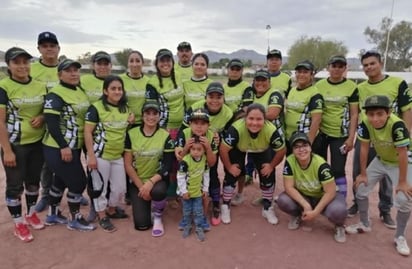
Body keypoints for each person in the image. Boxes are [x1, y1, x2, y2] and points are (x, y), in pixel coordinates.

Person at [348, 51, 412, 229]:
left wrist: (405, 135)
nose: (369, 67)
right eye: (366, 65)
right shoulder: (360, 88)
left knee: (388, 176)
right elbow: (355, 113)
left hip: (391, 136)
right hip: (368, 134)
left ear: (380, 63)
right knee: (360, 173)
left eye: (372, 63)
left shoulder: (397, 83)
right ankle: (357, 203)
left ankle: (385, 210)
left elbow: (407, 109)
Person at [345, 95, 412, 256]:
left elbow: (403, 154)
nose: (375, 118)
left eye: (379, 114)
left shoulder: (397, 125)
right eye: (371, 114)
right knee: (360, 188)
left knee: (404, 198)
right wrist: (362, 174)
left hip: (400, 163)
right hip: (381, 160)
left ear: (388, 112)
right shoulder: (366, 124)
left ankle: (400, 236)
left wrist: (402, 182)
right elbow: (364, 148)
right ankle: (364, 223)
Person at [42, 59, 95, 231]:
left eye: (76, 70)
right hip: (58, 147)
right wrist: (63, 145)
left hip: (74, 145)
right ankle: (75, 219)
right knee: (78, 182)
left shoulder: (78, 89)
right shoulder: (56, 93)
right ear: (59, 75)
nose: (73, 73)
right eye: (68, 71)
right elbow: (51, 122)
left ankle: (52, 214)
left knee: (60, 180)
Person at [0, 47, 46, 242]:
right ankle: (18, 223)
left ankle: (31, 213)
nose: (22, 66)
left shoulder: (39, 85)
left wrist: (42, 117)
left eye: (25, 62)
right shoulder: (4, 87)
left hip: (37, 142)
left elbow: (46, 109)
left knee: (33, 182)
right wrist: (7, 150)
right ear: (8, 65)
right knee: (14, 186)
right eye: (16, 62)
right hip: (15, 144)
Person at [219, 103, 286, 225]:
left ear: (265, 119)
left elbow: (281, 151)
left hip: (262, 149)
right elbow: (223, 149)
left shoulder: (270, 129)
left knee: (267, 174)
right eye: (251, 118)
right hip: (239, 147)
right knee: (233, 172)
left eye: (259, 119)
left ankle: (267, 207)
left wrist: (271, 166)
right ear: (245, 118)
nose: (254, 123)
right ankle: (225, 205)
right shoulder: (236, 128)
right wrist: (229, 167)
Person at [277, 132, 347, 243]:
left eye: (304, 145)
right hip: (305, 196)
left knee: (338, 210)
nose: (301, 150)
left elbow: (330, 192)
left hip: (323, 196)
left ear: (310, 148)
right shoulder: (290, 161)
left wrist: (315, 212)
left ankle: (339, 226)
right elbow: (288, 187)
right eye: (296, 147)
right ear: (293, 150)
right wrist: (305, 205)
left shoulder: (321, 165)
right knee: (283, 200)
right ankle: (298, 214)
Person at [84, 75, 130, 232]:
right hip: (100, 155)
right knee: (99, 188)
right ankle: (102, 215)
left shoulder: (126, 108)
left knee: (120, 188)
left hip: (118, 156)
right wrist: (91, 156)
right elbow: (87, 132)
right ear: (105, 91)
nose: (117, 91)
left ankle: (111, 209)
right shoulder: (96, 108)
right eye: (113, 89)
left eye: (119, 89)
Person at [183, 82, 234, 225]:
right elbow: (184, 128)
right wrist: (186, 147)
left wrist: (218, 138)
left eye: (219, 97)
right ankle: (189, 203)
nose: (215, 100)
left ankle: (216, 203)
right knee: (190, 173)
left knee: (211, 173)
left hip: (212, 143)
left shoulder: (228, 113)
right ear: (205, 97)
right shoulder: (194, 108)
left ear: (224, 98)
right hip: (193, 145)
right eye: (211, 96)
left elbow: (229, 134)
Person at [124, 100, 175, 236]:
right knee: (142, 225)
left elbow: (167, 165)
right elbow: (128, 165)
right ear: (142, 115)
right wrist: (142, 186)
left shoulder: (165, 135)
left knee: (158, 192)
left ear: (159, 116)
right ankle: (147, 208)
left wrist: (151, 183)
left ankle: (158, 216)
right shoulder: (132, 134)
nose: (151, 117)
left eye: (155, 113)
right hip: (138, 181)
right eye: (148, 113)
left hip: (157, 180)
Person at [313, 55, 359, 199]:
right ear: (328, 68)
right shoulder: (319, 86)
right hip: (321, 134)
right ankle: (320, 196)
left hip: (340, 135)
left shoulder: (351, 87)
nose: (337, 69)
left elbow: (354, 114)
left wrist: (351, 138)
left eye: (340, 66)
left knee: (338, 169)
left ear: (345, 69)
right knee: (320, 167)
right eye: (334, 66)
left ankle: (340, 200)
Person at [239, 69, 285, 207]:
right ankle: (265, 195)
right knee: (258, 167)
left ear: (269, 82)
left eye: (263, 80)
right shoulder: (251, 93)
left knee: (267, 169)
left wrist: (252, 116)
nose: (260, 83)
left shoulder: (275, 94)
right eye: (257, 80)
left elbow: (272, 114)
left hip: (271, 136)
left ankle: (267, 200)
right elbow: (245, 110)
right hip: (253, 136)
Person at [146, 48, 184, 201]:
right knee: (166, 162)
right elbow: (152, 110)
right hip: (164, 128)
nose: (165, 63)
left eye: (168, 60)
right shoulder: (152, 83)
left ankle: (177, 192)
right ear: (157, 63)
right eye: (162, 60)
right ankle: (166, 194)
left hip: (182, 127)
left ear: (172, 62)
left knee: (179, 162)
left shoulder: (180, 76)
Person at [176, 108, 218, 230]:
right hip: (187, 171)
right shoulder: (184, 133)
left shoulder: (211, 136)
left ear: (208, 125)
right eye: (195, 123)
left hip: (202, 170)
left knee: (204, 195)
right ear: (190, 124)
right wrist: (185, 148)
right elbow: (179, 159)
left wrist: (208, 148)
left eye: (203, 123)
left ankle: (202, 218)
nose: (199, 127)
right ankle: (186, 218)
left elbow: (212, 163)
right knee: (185, 196)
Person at [223, 58, 253, 205]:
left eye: (237, 69)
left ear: (241, 71)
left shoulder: (246, 87)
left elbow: (246, 110)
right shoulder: (223, 87)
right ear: (227, 70)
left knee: (239, 163)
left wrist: (229, 121)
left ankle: (240, 193)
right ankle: (226, 189)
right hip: (224, 130)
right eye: (232, 69)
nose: (234, 72)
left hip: (239, 131)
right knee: (226, 162)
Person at [284, 60, 323, 154]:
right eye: (299, 72)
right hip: (290, 138)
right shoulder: (292, 90)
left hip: (304, 140)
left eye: (305, 72)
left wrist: (308, 143)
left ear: (312, 75)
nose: (301, 75)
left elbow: (316, 121)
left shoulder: (315, 94)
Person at [177, 138, 210, 241]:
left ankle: (199, 227)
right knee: (187, 211)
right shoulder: (185, 161)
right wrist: (184, 191)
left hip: (198, 192)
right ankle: (187, 226)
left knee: (198, 211)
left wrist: (205, 189)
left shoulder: (204, 160)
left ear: (204, 150)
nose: (196, 152)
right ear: (189, 149)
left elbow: (206, 174)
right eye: (193, 149)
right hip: (187, 193)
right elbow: (180, 177)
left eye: (199, 149)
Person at [119, 50, 150, 126]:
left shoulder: (149, 81)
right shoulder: (119, 80)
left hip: (144, 123)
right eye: (131, 61)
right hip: (124, 122)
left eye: (138, 61)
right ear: (128, 64)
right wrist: (128, 114)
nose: (134, 64)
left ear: (142, 63)